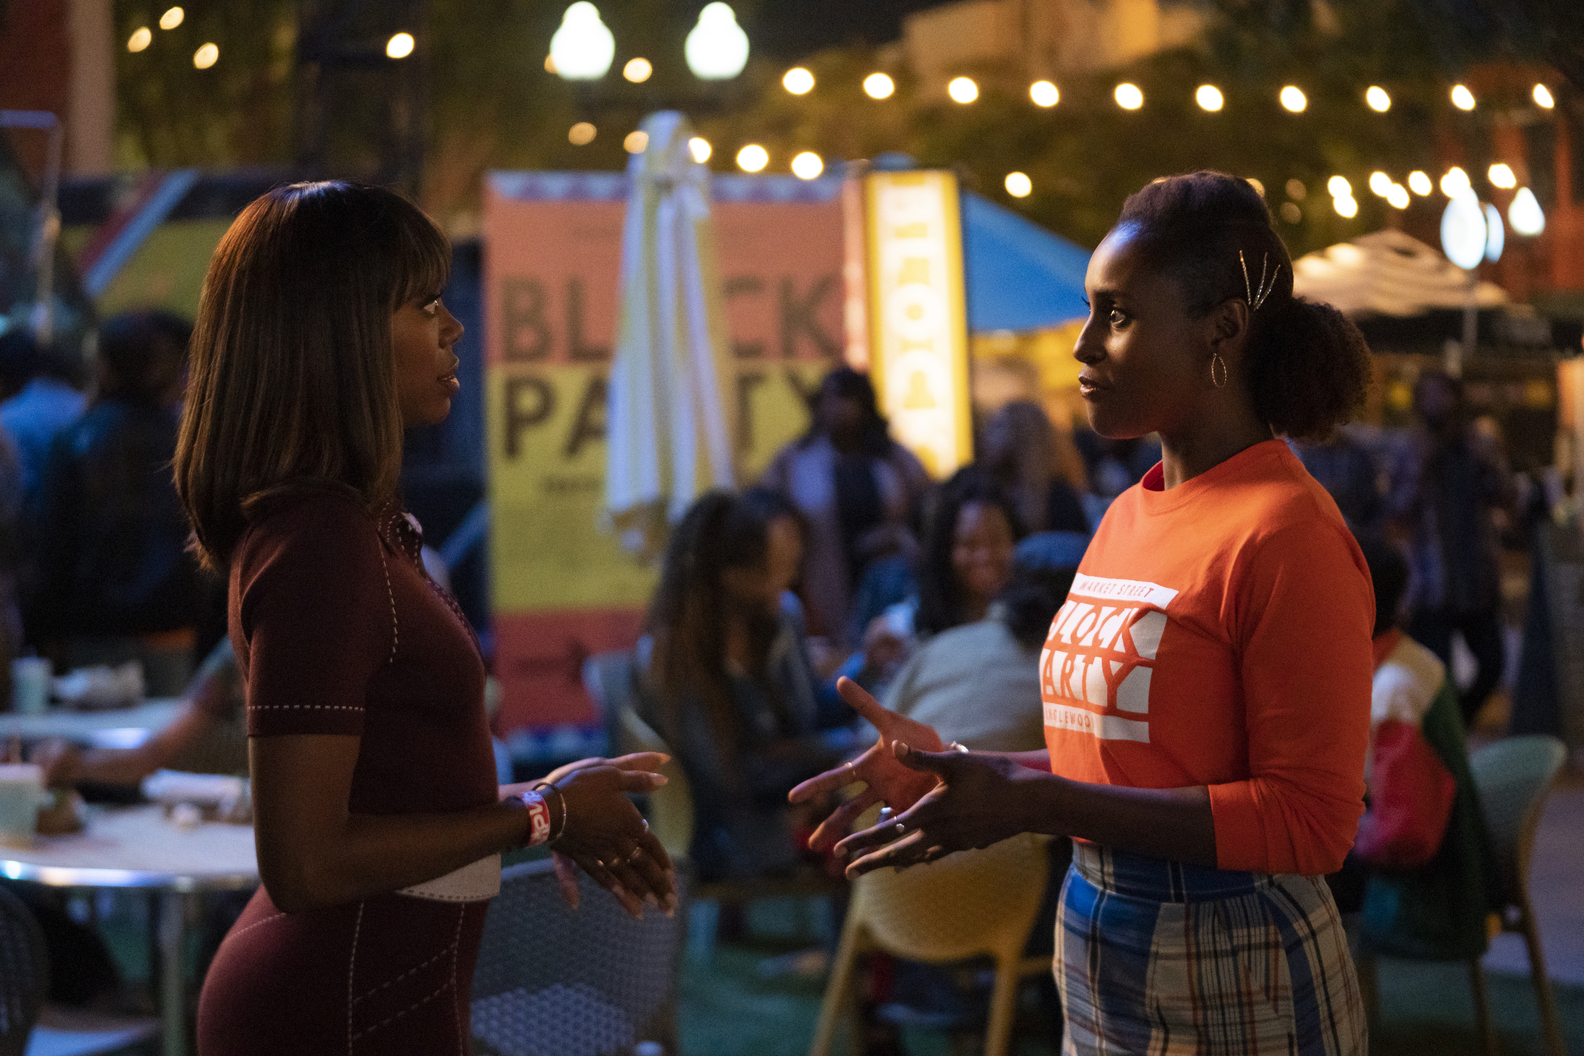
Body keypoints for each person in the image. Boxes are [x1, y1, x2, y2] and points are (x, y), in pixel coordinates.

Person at [792, 171, 1376, 1055]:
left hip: (1235, 959)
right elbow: (1121, 764)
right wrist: (961, 769)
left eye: (1118, 314)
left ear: (1222, 329)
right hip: (1101, 943)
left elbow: (1311, 823)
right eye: (1091, 311)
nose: (1084, 346)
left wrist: (1033, 802)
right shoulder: (1130, 513)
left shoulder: (1287, 532)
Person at [172, 181, 675, 1056]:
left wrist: (546, 800)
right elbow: (305, 863)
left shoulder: (349, 525)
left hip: (378, 987)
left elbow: (394, 798)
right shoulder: (318, 542)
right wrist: (545, 817)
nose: (455, 329)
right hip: (334, 1001)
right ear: (342, 334)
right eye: (426, 304)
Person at [636, 487, 855, 882]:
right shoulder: (673, 656)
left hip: (782, 803)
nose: (786, 583)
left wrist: (865, 667)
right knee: (868, 819)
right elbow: (723, 777)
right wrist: (838, 758)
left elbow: (811, 716)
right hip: (727, 835)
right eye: (772, 571)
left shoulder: (780, 622)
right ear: (730, 577)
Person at [29, 310, 202, 695]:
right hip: (168, 628)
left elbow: (54, 545)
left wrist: (45, 631)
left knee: (94, 747)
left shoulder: (77, 440)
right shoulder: (184, 441)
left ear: (104, 366)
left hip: (93, 630)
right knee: (162, 747)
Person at [761, 367, 929, 648]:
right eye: (834, 399)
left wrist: (898, 537)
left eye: (851, 399)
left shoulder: (896, 460)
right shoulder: (794, 461)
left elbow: (929, 513)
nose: (843, 408)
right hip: (821, 581)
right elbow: (767, 513)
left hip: (890, 584)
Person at [1386, 370, 1515, 726]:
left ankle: (1456, 723)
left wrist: (1484, 456)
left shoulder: (1477, 446)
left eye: (1445, 395)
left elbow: (1507, 498)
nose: (1439, 404)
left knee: (1493, 664)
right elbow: (1396, 515)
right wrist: (1420, 466)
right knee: (1435, 678)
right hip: (1431, 583)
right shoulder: (1408, 450)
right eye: (1430, 396)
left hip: (1477, 578)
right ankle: (1444, 739)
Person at [845, 467, 1021, 691]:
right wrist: (866, 664)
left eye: (997, 540)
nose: (985, 555)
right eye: (969, 544)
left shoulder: (1035, 621)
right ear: (944, 550)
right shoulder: (904, 630)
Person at [978, 400, 1090, 537]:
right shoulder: (991, 491)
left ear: (1025, 435)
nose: (987, 435)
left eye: (998, 427)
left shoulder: (1060, 499)